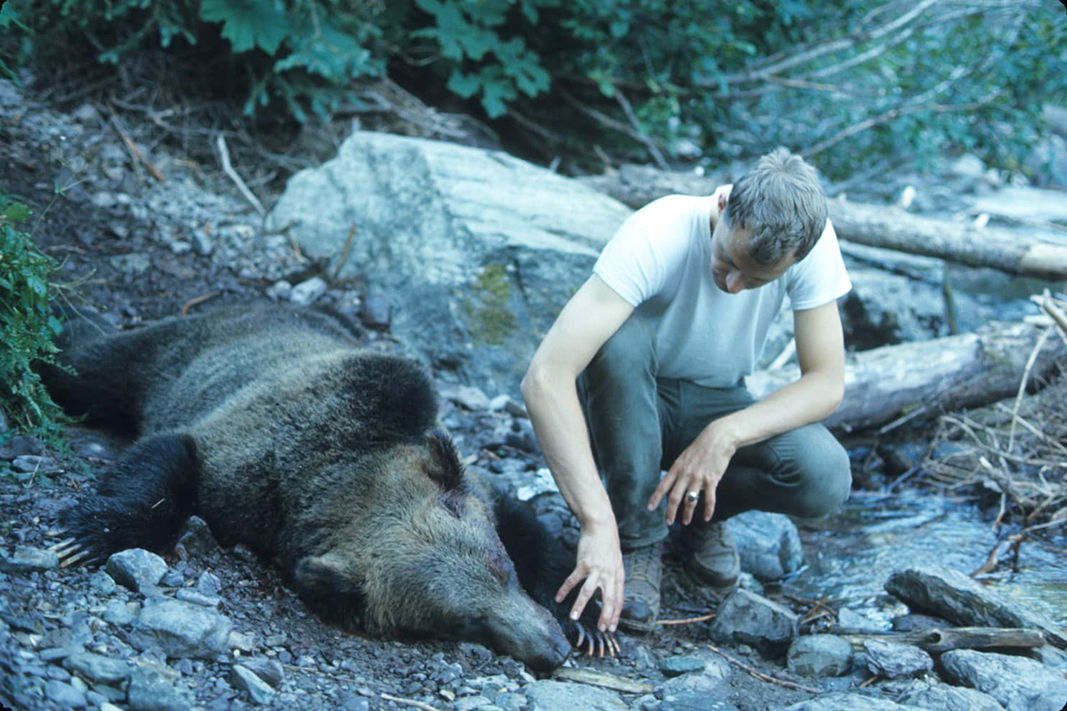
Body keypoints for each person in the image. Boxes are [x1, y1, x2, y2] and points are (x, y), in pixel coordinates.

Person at [520, 147, 853, 635]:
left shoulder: (812, 245)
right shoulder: (658, 230)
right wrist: (597, 525)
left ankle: (696, 516)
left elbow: (826, 382)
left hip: (715, 399)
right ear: (722, 207)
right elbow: (545, 377)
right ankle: (636, 537)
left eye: (758, 281)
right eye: (727, 261)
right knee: (618, 339)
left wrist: (726, 433)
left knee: (824, 474)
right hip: (623, 403)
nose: (734, 285)